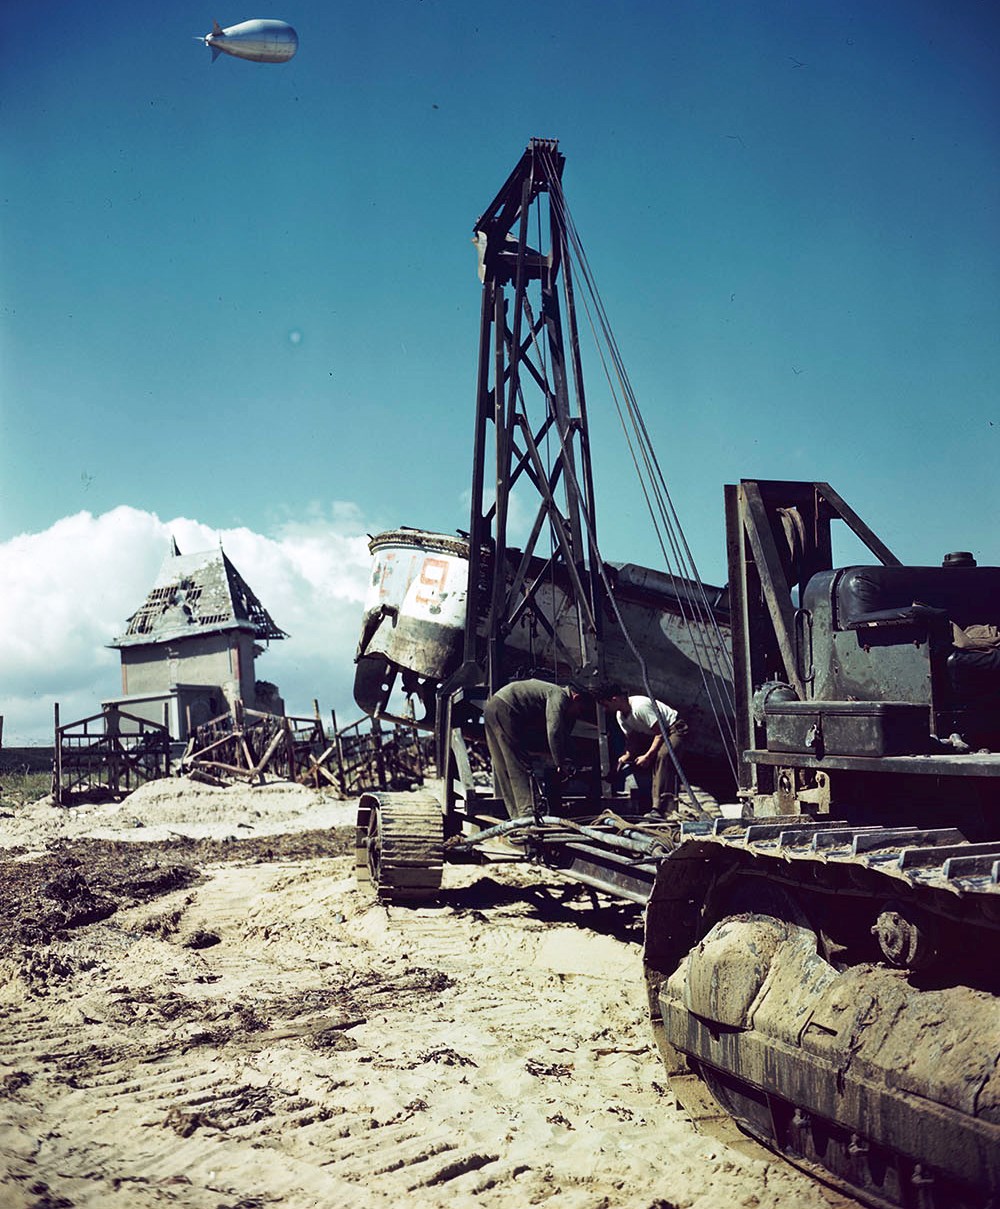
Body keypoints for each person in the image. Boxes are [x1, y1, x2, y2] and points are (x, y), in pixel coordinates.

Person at [482, 679, 590, 819]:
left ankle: (517, 817)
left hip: (492, 707)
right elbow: (554, 731)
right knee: (518, 764)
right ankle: (530, 813)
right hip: (506, 708)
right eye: (580, 709)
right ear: (576, 697)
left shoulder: (555, 694)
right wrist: (560, 763)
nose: (578, 713)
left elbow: (562, 734)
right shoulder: (559, 695)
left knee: (504, 767)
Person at [600, 688, 688, 816]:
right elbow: (632, 739)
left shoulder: (640, 707)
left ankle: (660, 808)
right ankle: (646, 802)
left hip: (672, 729)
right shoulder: (620, 716)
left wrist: (647, 756)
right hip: (653, 733)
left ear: (614, 700)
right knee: (637, 760)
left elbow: (660, 733)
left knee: (663, 756)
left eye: (606, 705)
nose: (605, 709)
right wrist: (627, 755)